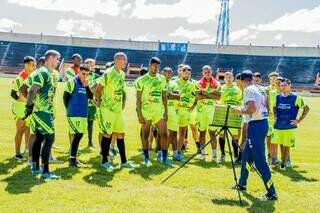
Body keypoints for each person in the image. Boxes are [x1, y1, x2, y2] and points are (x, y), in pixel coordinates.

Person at [233, 70, 277, 201]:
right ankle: (242, 184)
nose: (238, 84)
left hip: (256, 125)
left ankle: (272, 192)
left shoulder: (249, 90)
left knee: (260, 161)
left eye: (238, 81)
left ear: (242, 80)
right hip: (261, 123)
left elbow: (251, 108)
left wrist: (239, 111)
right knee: (246, 156)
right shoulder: (259, 88)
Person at [23, 50, 61, 179]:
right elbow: (31, 90)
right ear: (50, 58)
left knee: (39, 138)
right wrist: (29, 106)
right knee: (50, 139)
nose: (58, 61)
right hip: (42, 112)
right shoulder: (43, 72)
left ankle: (35, 167)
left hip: (45, 111)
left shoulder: (53, 73)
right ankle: (45, 172)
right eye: (57, 59)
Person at [95, 52, 135, 172]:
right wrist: (100, 101)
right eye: (124, 60)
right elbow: (98, 89)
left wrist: (121, 104)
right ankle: (104, 161)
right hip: (108, 109)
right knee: (107, 135)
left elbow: (121, 92)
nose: (126, 62)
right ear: (118, 60)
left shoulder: (122, 74)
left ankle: (124, 162)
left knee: (121, 134)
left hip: (117, 110)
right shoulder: (108, 73)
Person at [135, 57, 172, 167]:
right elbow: (138, 99)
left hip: (158, 112)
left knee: (165, 134)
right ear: (150, 65)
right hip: (146, 111)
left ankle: (164, 158)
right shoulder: (141, 80)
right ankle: (146, 158)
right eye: (155, 66)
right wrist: (139, 114)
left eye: (158, 66)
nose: (156, 68)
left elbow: (164, 96)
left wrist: (166, 111)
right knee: (145, 134)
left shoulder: (162, 79)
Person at [270, 78, 309, 170]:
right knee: (273, 143)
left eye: (285, 85)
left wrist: (298, 120)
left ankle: (283, 164)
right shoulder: (277, 97)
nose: (283, 87)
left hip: (289, 127)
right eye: (281, 85)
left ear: (289, 85)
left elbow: (306, 109)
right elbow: (275, 107)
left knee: (286, 146)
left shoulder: (296, 98)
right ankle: (273, 163)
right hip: (277, 126)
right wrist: (275, 116)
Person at [63, 65, 94, 167]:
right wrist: (69, 109)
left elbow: (91, 96)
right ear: (79, 72)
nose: (85, 76)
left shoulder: (86, 82)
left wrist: (86, 86)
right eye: (83, 74)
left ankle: (73, 159)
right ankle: (72, 160)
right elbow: (65, 97)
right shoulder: (72, 82)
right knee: (78, 135)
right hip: (73, 113)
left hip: (84, 113)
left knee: (79, 135)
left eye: (87, 74)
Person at [10, 56, 36, 160]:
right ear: (26, 65)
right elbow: (12, 93)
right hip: (21, 108)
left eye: (35, 65)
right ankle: (17, 153)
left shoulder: (33, 76)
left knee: (29, 128)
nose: (34, 67)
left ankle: (27, 149)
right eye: (32, 65)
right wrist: (19, 100)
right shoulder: (20, 77)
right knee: (20, 129)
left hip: (30, 107)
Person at [196, 65, 221, 161]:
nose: (207, 74)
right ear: (203, 73)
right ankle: (202, 153)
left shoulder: (217, 83)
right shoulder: (198, 83)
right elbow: (198, 97)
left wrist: (205, 93)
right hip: (201, 111)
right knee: (202, 133)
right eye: (205, 72)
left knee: (212, 133)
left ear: (211, 72)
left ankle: (215, 155)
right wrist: (211, 95)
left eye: (208, 72)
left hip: (212, 111)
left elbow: (218, 97)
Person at [174, 65, 198, 161]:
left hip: (186, 111)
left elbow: (196, 96)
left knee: (182, 131)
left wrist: (193, 105)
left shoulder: (192, 85)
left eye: (189, 74)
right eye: (186, 73)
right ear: (181, 72)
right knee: (171, 132)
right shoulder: (174, 83)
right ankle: (165, 151)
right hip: (175, 111)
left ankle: (178, 152)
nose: (187, 75)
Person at [219, 72, 242, 163]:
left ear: (233, 78)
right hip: (223, 113)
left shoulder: (238, 90)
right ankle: (223, 154)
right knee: (222, 134)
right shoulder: (221, 88)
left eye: (230, 77)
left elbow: (239, 103)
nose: (228, 79)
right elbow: (218, 101)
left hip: (234, 114)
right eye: (226, 77)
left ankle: (236, 155)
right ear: (224, 79)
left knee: (235, 135)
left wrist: (238, 111)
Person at [163, 67, 179, 161]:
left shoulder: (174, 84)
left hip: (172, 110)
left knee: (173, 132)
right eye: (167, 72)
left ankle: (175, 154)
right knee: (162, 133)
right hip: (162, 110)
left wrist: (169, 94)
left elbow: (178, 96)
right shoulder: (159, 82)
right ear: (163, 73)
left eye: (170, 72)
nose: (168, 74)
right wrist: (169, 95)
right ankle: (160, 153)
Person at [265, 72, 280, 162]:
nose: (273, 81)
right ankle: (269, 154)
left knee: (277, 137)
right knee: (268, 136)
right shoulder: (267, 89)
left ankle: (275, 156)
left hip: (278, 118)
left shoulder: (281, 90)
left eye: (275, 79)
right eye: (271, 79)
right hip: (269, 117)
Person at [84, 58, 100, 147]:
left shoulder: (97, 76)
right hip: (83, 104)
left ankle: (90, 141)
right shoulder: (83, 75)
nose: (93, 66)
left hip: (93, 104)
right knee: (82, 124)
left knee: (90, 123)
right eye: (91, 64)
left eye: (94, 64)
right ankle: (74, 144)